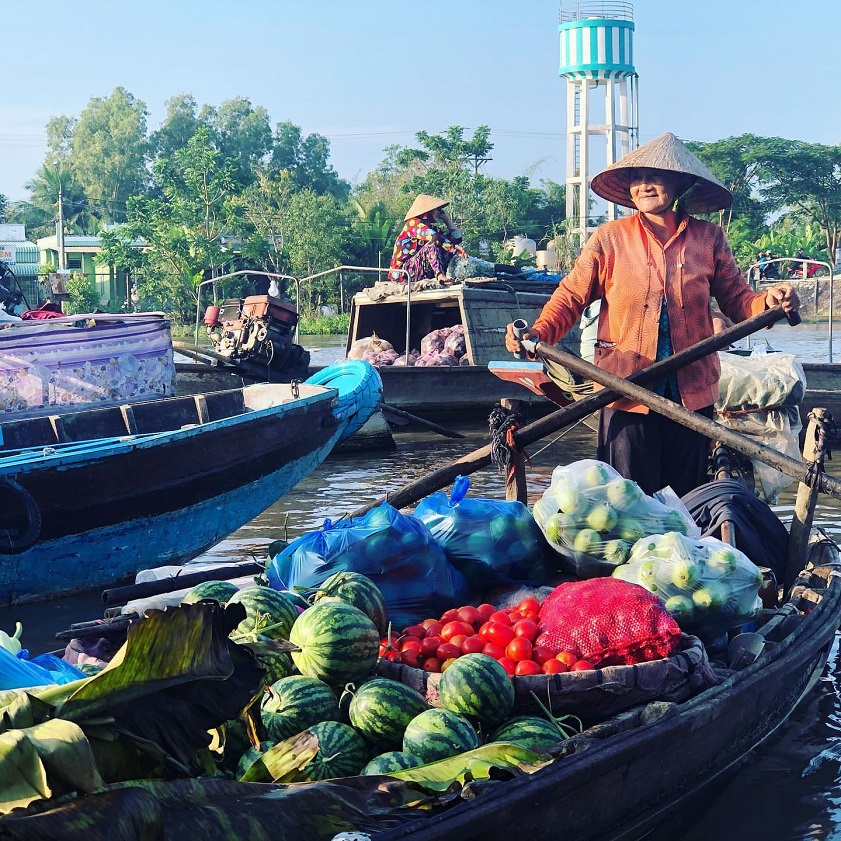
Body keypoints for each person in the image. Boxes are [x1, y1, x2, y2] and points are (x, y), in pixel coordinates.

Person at [504, 132, 799, 498]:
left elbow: (740, 301)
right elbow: (570, 296)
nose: (644, 186)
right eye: (637, 179)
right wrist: (538, 333)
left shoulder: (709, 239)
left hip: (690, 392)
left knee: (685, 498)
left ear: (682, 184)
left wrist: (770, 303)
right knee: (625, 498)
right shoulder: (610, 238)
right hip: (625, 386)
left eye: (655, 177)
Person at [387, 194, 467, 285]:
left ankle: (458, 275)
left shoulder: (433, 229)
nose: (439, 212)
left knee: (447, 250)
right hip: (404, 273)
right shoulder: (412, 224)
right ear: (427, 211)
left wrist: (446, 218)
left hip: (419, 271)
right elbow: (434, 237)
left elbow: (456, 239)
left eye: (440, 210)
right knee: (434, 244)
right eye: (437, 209)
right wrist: (454, 249)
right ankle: (440, 275)